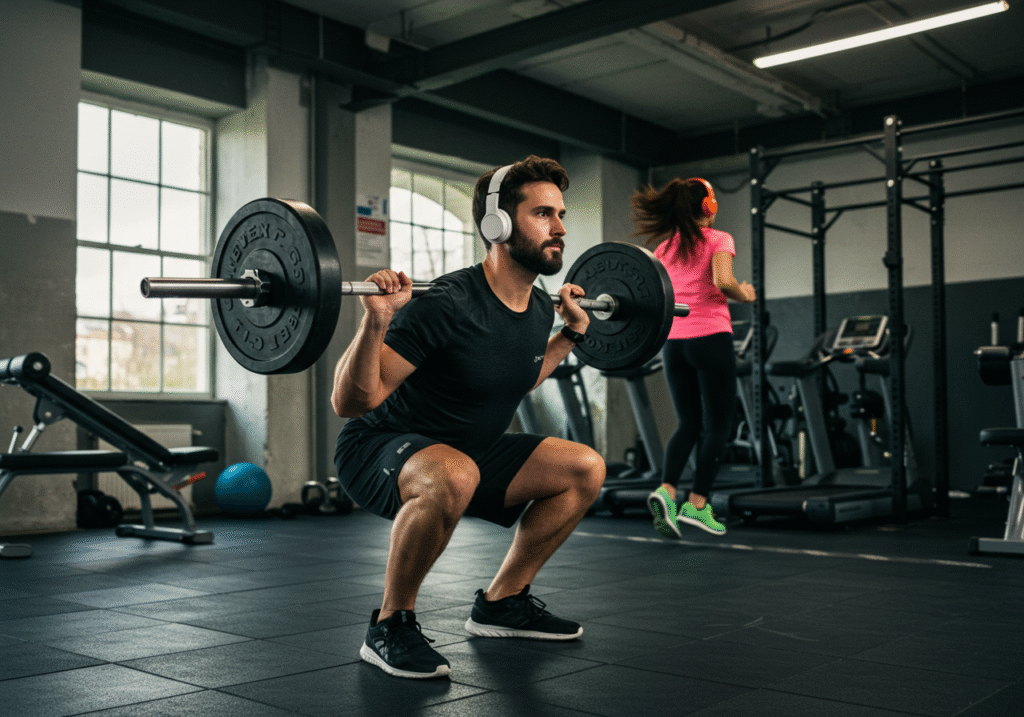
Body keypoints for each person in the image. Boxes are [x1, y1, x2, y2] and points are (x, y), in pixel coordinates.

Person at [331, 155, 605, 680]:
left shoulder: (538, 310)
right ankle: (390, 625)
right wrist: (377, 323)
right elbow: (352, 403)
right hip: (381, 447)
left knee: (584, 468)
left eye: (561, 214)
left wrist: (570, 334)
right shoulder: (448, 303)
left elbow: (519, 376)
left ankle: (502, 603)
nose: (561, 228)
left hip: (469, 454)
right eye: (543, 214)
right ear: (496, 224)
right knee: (454, 471)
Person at [630, 177, 756, 539]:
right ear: (708, 207)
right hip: (711, 338)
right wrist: (745, 294)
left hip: (674, 343)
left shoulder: (665, 247)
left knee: (688, 423)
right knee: (718, 426)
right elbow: (722, 280)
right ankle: (698, 505)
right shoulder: (720, 239)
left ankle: (667, 491)